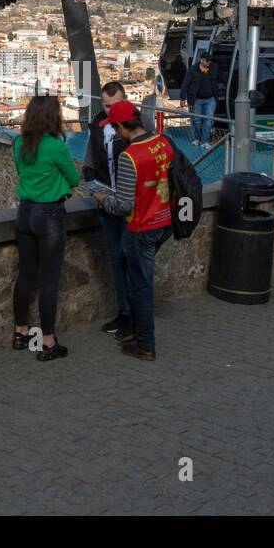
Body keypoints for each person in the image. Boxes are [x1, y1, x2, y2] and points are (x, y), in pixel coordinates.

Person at [93, 100, 173, 362]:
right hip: (164, 220)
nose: (115, 134)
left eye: (115, 129)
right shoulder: (162, 142)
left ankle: (145, 343)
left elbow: (124, 204)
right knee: (142, 280)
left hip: (141, 225)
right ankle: (136, 333)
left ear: (121, 126)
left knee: (140, 286)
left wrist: (103, 199)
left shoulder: (130, 156)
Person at [11, 94, 80, 360]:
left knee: (26, 275)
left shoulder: (18, 143)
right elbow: (73, 178)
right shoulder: (55, 146)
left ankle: (21, 332)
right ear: (54, 117)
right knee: (49, 281)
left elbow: (21, 171)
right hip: (49, 214)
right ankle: (48, 341)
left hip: (24, 213)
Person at [84, 82, 132, 337]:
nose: (111, 111)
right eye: (107, 106)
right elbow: (90, 161)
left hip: (131, 203)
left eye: (116, 106)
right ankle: (124, 312)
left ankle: (134, 314)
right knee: (116, 257)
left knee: (129, 256)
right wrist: (95, 188)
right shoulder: (97, 126)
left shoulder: (137, 123)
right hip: (106, 200)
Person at [180, 51, 222, 145]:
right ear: (201, 60)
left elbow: (218, 77)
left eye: (210, 61)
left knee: (208, 121)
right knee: (196, 121)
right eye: (207, 61)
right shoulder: (192, 70)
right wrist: (182, 99)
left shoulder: (213, 67)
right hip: (196, 100)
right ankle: (197, 139)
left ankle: (205, 141)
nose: (209, 62)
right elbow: (185, 84)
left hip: (210, 99)